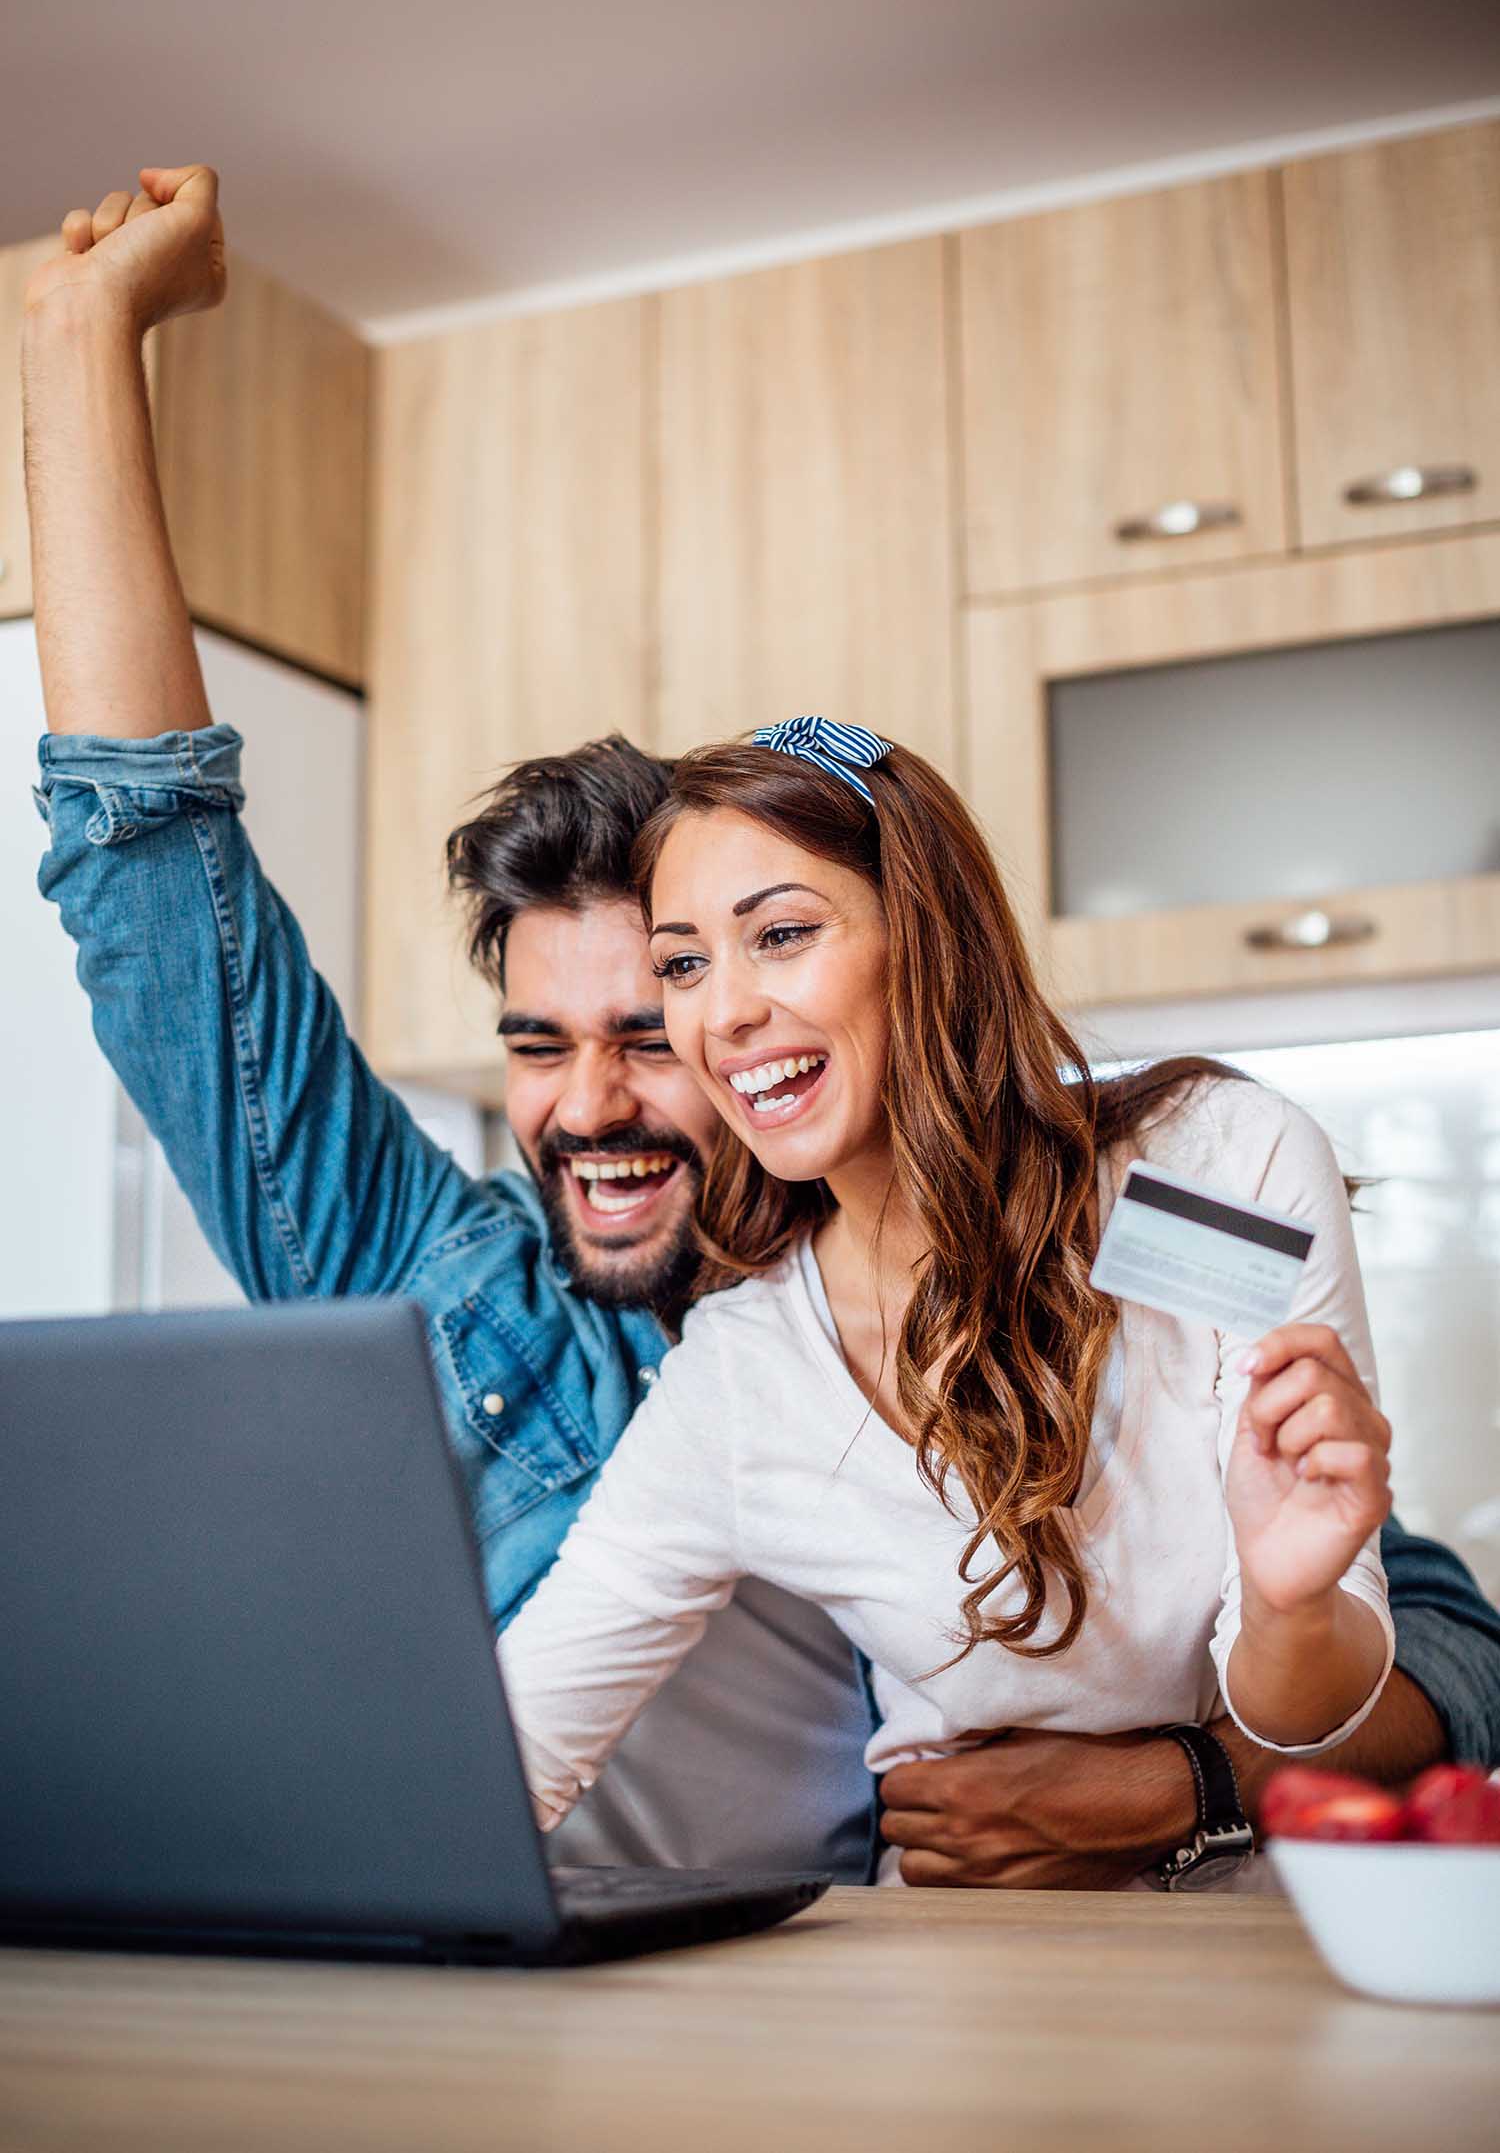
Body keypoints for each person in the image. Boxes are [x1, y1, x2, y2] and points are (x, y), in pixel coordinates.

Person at [20, 163, 1500, 1889]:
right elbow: (147, 879)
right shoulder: (465, 1294)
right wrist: (76, 340)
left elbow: (1435, 1651)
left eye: (659, 1020)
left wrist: (1188, 1779)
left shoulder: (1126, 1215)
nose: (597, 1107)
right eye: (537, 1044)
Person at [493, 727, 1497, 1884]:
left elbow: (1300, 1721)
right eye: (683, 966)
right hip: (953, 1953)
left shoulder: (1197, 1176)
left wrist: (1286, 1604)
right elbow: (521, 1742)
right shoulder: (741, 1372)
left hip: (1248, 1945)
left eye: (781, 935)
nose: (723, 1015)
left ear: (924, 937)